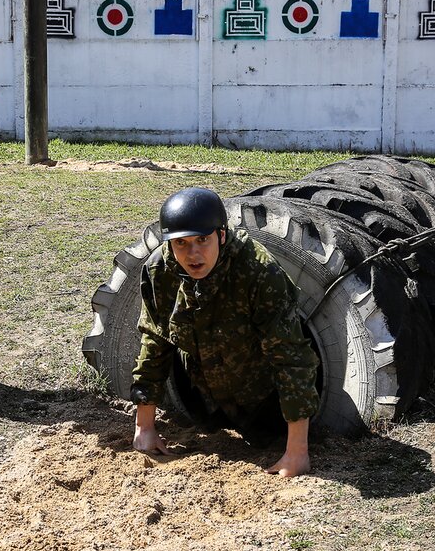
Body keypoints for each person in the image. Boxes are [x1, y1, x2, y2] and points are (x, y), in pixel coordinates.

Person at [130, 187, 320, 477]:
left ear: (221, 234)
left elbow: (291, 356)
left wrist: (297, 453)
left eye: (202, 240)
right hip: (204, 398)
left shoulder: (256, 270)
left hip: (265, 401)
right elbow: (155, 341)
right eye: (181, 243)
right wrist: (145, 426)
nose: (193, 254)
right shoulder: (160, 271)